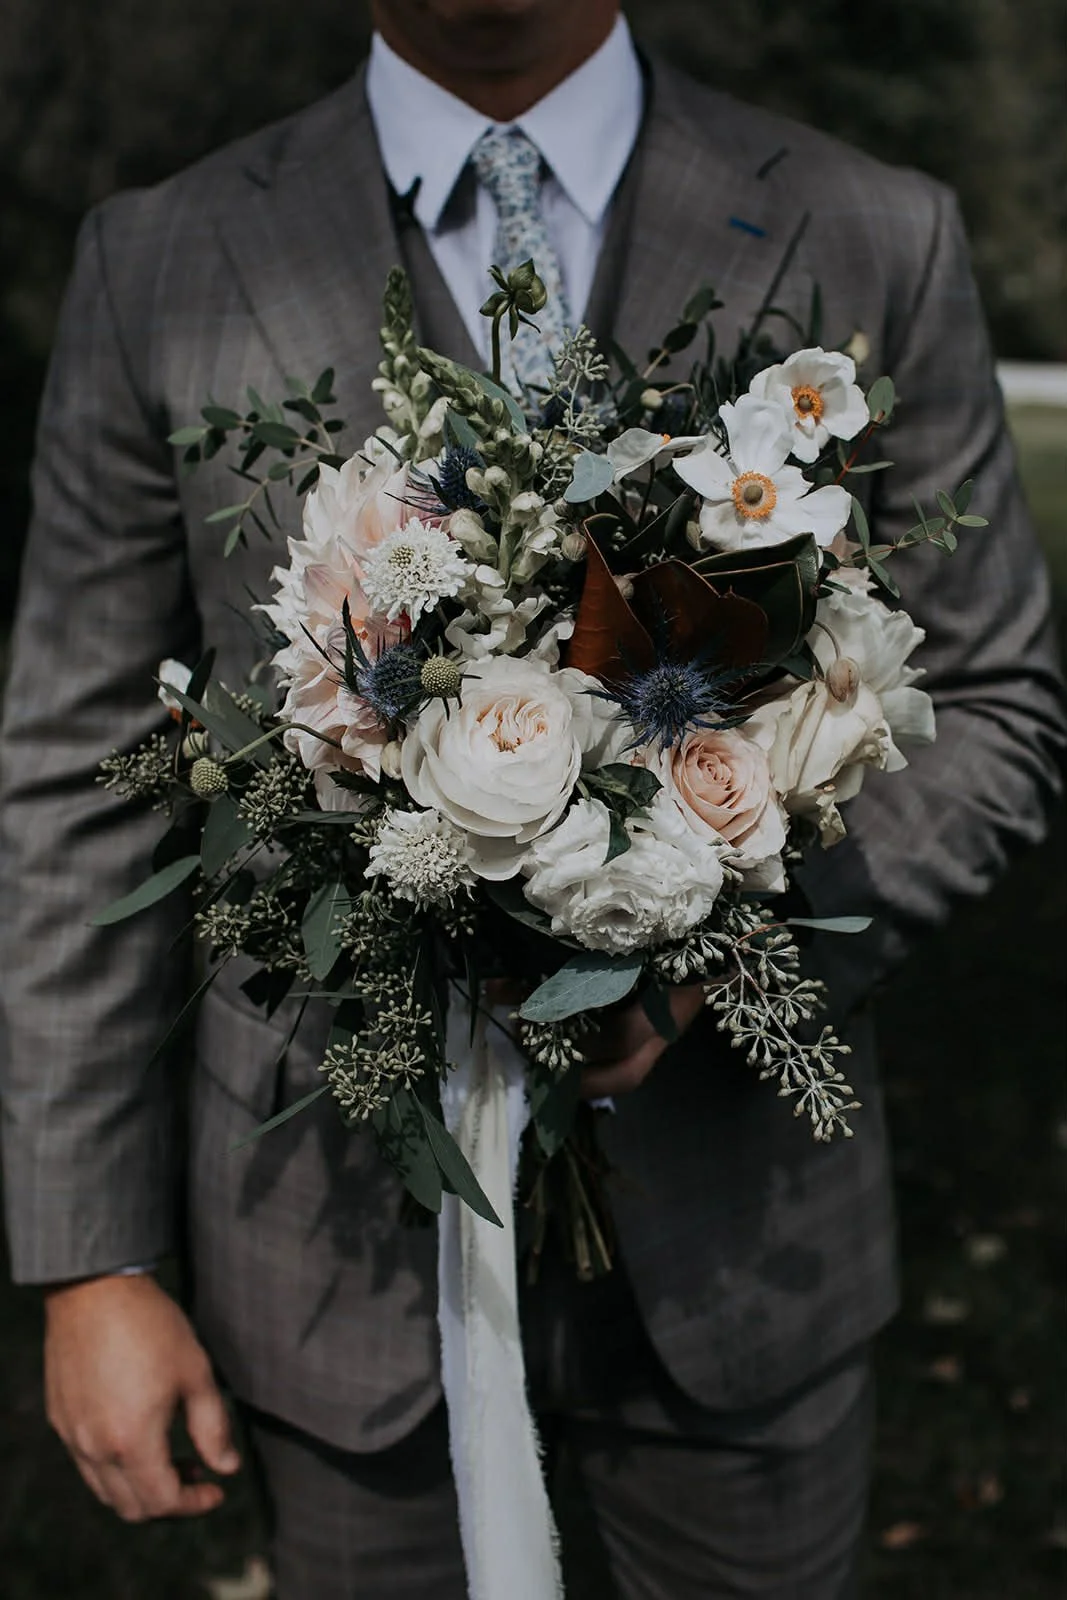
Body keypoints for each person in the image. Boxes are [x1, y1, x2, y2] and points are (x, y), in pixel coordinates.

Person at [1, 2, 1063, 1596]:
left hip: (743, 1244)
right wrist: (92, 1259)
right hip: (328, 1267)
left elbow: (992, 700)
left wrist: (716, 959)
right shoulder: (159, 254)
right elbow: (78, 769)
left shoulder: (870, 225)